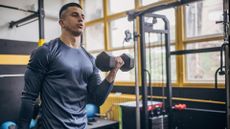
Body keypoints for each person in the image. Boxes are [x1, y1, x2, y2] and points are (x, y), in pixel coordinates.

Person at [17, 2, 124, 129]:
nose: (80, 19)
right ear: (62, 23)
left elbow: (97, 99)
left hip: (81, 126)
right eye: (75, 15)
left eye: (83, 17)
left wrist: (114, 71)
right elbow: (29, 97)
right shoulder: (45, 51)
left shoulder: (90, 59)